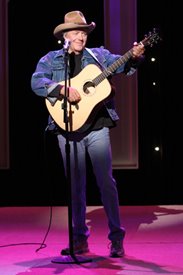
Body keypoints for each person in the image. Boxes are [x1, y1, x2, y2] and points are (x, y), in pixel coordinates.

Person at [31, 10, 145, 257]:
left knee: (106, 183)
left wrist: (134, 57)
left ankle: (117, 239)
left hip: (97, 129)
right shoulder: (51, 60)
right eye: (75, 32)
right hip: (66, 130)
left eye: (83, 32)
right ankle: (79, 239)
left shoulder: (99, 55)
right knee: (76, 187)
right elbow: (36, 81)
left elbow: (123, 64)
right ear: (65, 36)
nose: (81, 37)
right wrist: (59, 88)